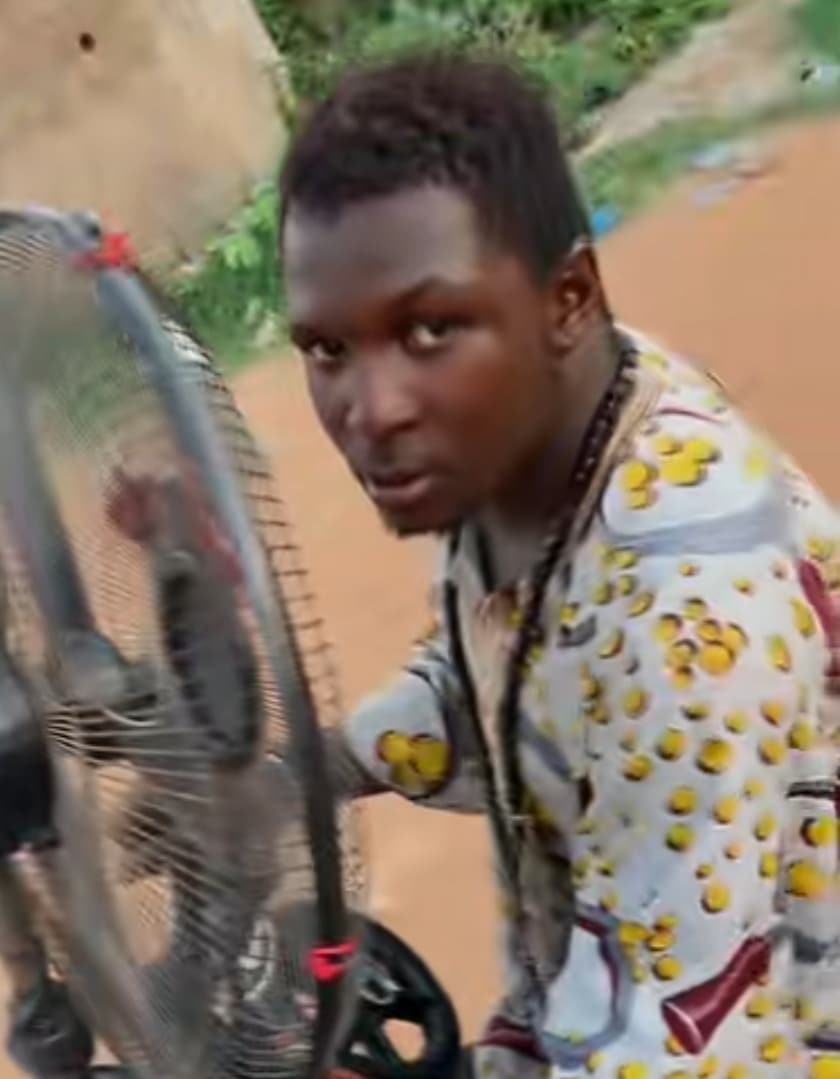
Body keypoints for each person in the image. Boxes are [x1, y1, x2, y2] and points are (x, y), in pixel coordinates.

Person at [278, 53, 840, 1078]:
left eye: (428, 327)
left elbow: (680, 1045)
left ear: (570, 294)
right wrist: (307, 774)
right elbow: (500, 665)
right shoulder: (526, 430)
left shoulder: (693, 633)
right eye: (327, 351)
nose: (373, 410)